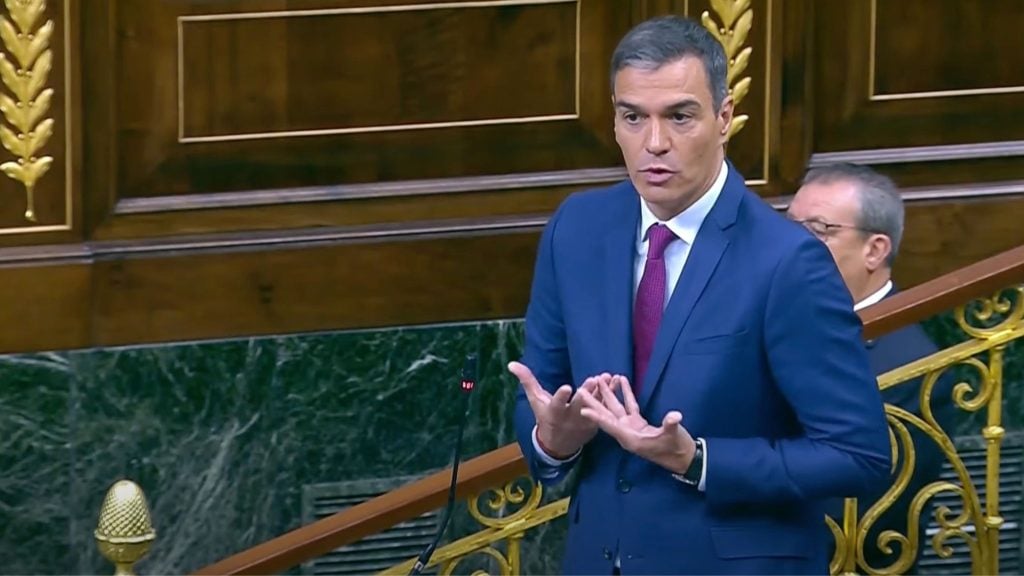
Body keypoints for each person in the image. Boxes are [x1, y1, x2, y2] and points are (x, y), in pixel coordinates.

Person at [508, 15, 891, 576]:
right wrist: (552, 440)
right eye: (632, 117)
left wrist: (697, 460)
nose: (654, 143)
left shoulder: (787, 261)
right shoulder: (577, 229)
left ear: (724, 117)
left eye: (679, 116)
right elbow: (537, 393)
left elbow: (859, 457)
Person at [789, 163, 956, 572]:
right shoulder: (775, 318)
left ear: (875, 249)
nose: (789, 245)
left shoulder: (912, 368)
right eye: (787, 227)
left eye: (817, 230)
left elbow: (856, 518)